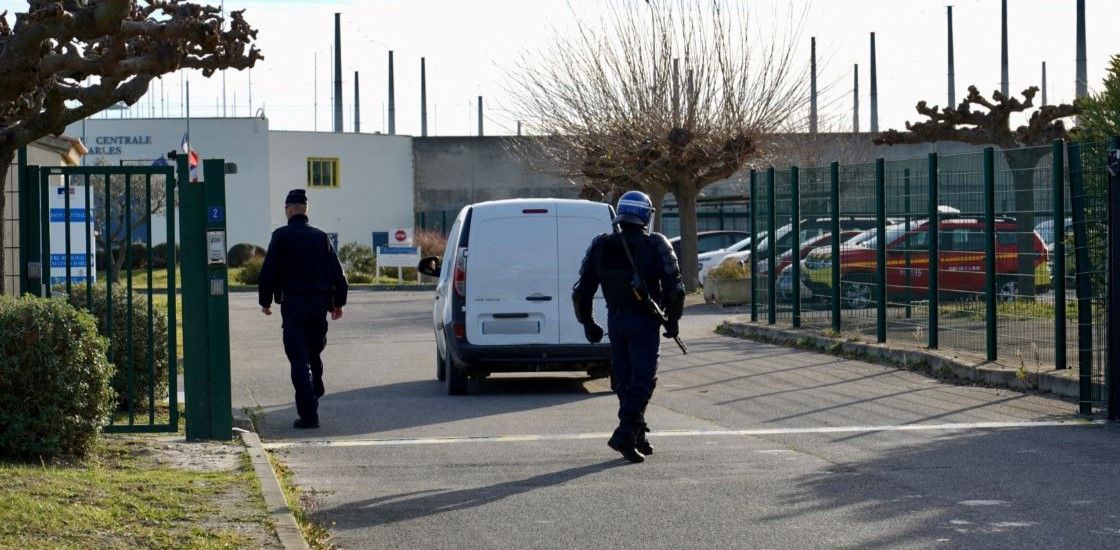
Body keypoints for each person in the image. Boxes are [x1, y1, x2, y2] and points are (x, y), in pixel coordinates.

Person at [572, 190, 685, 463]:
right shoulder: (656, 244)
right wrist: (673, 320)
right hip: (644, 321)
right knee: (643, 380)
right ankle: (624, 433)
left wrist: (588, 323)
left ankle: (637, 434)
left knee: (624, 381)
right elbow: (676, 290)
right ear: (646, 215)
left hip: (616, 320)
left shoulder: (601, 245)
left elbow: (580, 292)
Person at [258, 189, 349, 429]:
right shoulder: (321, 237)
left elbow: (269, 272)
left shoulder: (281, 236)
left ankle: (309, 416)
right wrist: (338, 303)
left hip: (293, 306)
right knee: (314, 353)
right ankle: (315, 388)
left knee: (298, 359)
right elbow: (338, 273)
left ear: (289, 210)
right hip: (318, 307)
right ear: (306, 210)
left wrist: (265, 302)